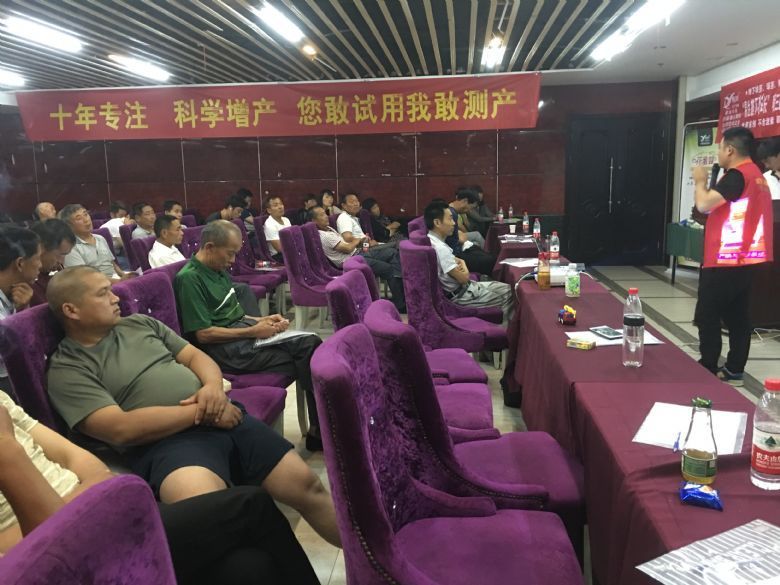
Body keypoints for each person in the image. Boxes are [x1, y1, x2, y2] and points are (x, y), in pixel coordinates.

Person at [46, 265, 339, 547]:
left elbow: (195, 357)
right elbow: (120, 428)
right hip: (166, 444)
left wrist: (212, 387)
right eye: (103, 293)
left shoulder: (140, 324)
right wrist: (203, 413)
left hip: (226, 415)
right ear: (71, 310)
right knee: (216, 522)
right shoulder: (68, 367)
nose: (115, 298)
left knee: (308, 486)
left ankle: (365, 562)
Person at [0, 393, 320, 584]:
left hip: (102, 511)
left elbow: (89, 466)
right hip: (60, 551)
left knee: (251, 568)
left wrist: (88, 496)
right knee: (250, 506)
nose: (115, 303)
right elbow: (45, 544)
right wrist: (7, 450)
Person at [173, 220, 324, 450]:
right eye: (230, 253)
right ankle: (319, 431)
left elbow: (235, 315)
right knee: (308, 350)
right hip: (224, 351)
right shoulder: (189, 278)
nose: (233, 260)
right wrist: (254, 330)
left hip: (241, 337)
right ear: (210, 247)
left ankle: (319, 430)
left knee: (309, 349)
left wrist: (262, 320)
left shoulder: (217, 269)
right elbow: (203, 334)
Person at [692, 126, 774, 385]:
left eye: (720, 148)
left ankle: (707, 365)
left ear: (730, 149)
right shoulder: (757, 176)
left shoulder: (737, 175)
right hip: (745, 257)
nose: (718, 153)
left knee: (707, 314)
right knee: (737, 316)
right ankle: (734, 368)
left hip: (725, 258)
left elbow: (704, 204)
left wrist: (700, 181)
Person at [425, 201, 514, 323]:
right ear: (437, 223)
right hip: (462, 296)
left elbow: (456, 264)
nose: (454, 223)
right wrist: (463, 265)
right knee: (510, 294)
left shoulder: (431, 240)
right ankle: (507, 331)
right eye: (450, 219)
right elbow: (463, 278)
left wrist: (460, 263)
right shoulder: (440, 248)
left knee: (509, 288)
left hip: (464, 289)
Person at [310, 206, 406, 312]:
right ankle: (400, 304)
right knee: (389, 269)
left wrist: (363, 242)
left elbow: (352, 245)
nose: (326, 216)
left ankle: (401, 298)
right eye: (322, 215)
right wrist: (358, 240)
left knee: (393, 252)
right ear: (314, 221)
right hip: (352, 260)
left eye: (325, 213)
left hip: (360, 253)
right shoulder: (324, 236)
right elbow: (347, 248)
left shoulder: (329, 229)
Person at [0, 226, 42, 394]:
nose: (40, 265)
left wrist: (22, 310)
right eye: (37, 258)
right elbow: (11, 353)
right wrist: (23, 316)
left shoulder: (14, 292)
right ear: (20, 263)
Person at [59, 204, 134, 280]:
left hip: (115, 278)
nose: (86, 220)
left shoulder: (100, 238)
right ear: (69, 226)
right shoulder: (70, 248)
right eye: (79, 218)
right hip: (97, 284)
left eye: (86, 214)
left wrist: (123, 275)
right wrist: (119, 281)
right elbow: (85, 278)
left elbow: (112, 263)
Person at [444, 189, 497, 276]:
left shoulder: (451, 211)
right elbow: (458, 238)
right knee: (491, 260)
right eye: (471, 207)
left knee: (485, 253)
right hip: (455, 254)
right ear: (465, 201)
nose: (469, 210)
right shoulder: (451, 214)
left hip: (458, 249)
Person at [28, 219, 76, 306]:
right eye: (60, 255)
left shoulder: (58, 271)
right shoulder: (26, 279)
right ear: (41, 248)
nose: (61, 261)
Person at [263, 196, 290, 263]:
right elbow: (280, 248)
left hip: (289, 250)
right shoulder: (269, 224)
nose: (280, 207)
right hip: (278, 256)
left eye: (281, 204)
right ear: (269, 210)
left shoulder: (286, 220)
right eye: (275, 205)